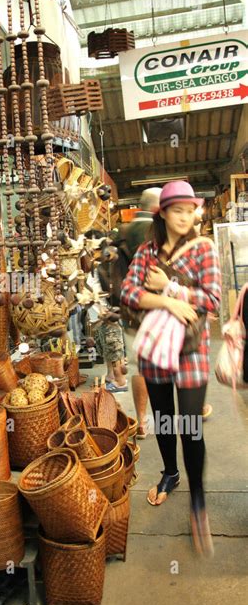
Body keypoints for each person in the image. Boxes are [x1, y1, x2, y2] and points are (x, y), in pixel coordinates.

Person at [120, 180, 221, 557]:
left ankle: (197, 498)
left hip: (191, 352)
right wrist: (169, 305)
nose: (184, 216)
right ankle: (170, 473)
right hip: (156, 350)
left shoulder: (204, 249)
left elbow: (211, 298)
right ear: (162, 213)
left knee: (191, 426)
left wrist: (172, 289)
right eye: (176, 210)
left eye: (189, 210)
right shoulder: (146, 250)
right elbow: (128, 293)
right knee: (164, 418)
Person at [123, 188, 162, 438]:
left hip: (131, 309)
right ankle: (195, 409)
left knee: (138, 366)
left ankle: (141, 422)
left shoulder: (123, 230)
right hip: (158, 305)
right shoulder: (159, 232)